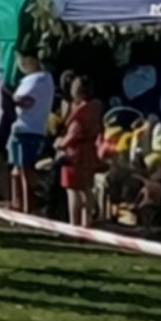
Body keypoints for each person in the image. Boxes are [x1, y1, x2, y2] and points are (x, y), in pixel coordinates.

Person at [8, 48, 56, 216]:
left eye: (22, 59)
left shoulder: (40, 79)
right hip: (18, 128)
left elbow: (28, 102)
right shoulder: (28, 80)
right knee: (15, 169)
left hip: (30, 129)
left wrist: (10, 98)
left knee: (25, 170)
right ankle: (16, 203)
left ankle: (27, 208)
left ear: (32, 60)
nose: (19, 64)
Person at [55, 73, 104, 227]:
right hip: (89, 151)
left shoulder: (80, 114)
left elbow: (72, 135)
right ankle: (87, 221)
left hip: (74, 154)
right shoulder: (95, 108)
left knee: (72, 190)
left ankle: (74, 224)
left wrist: (60, 143)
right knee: (86, 188)